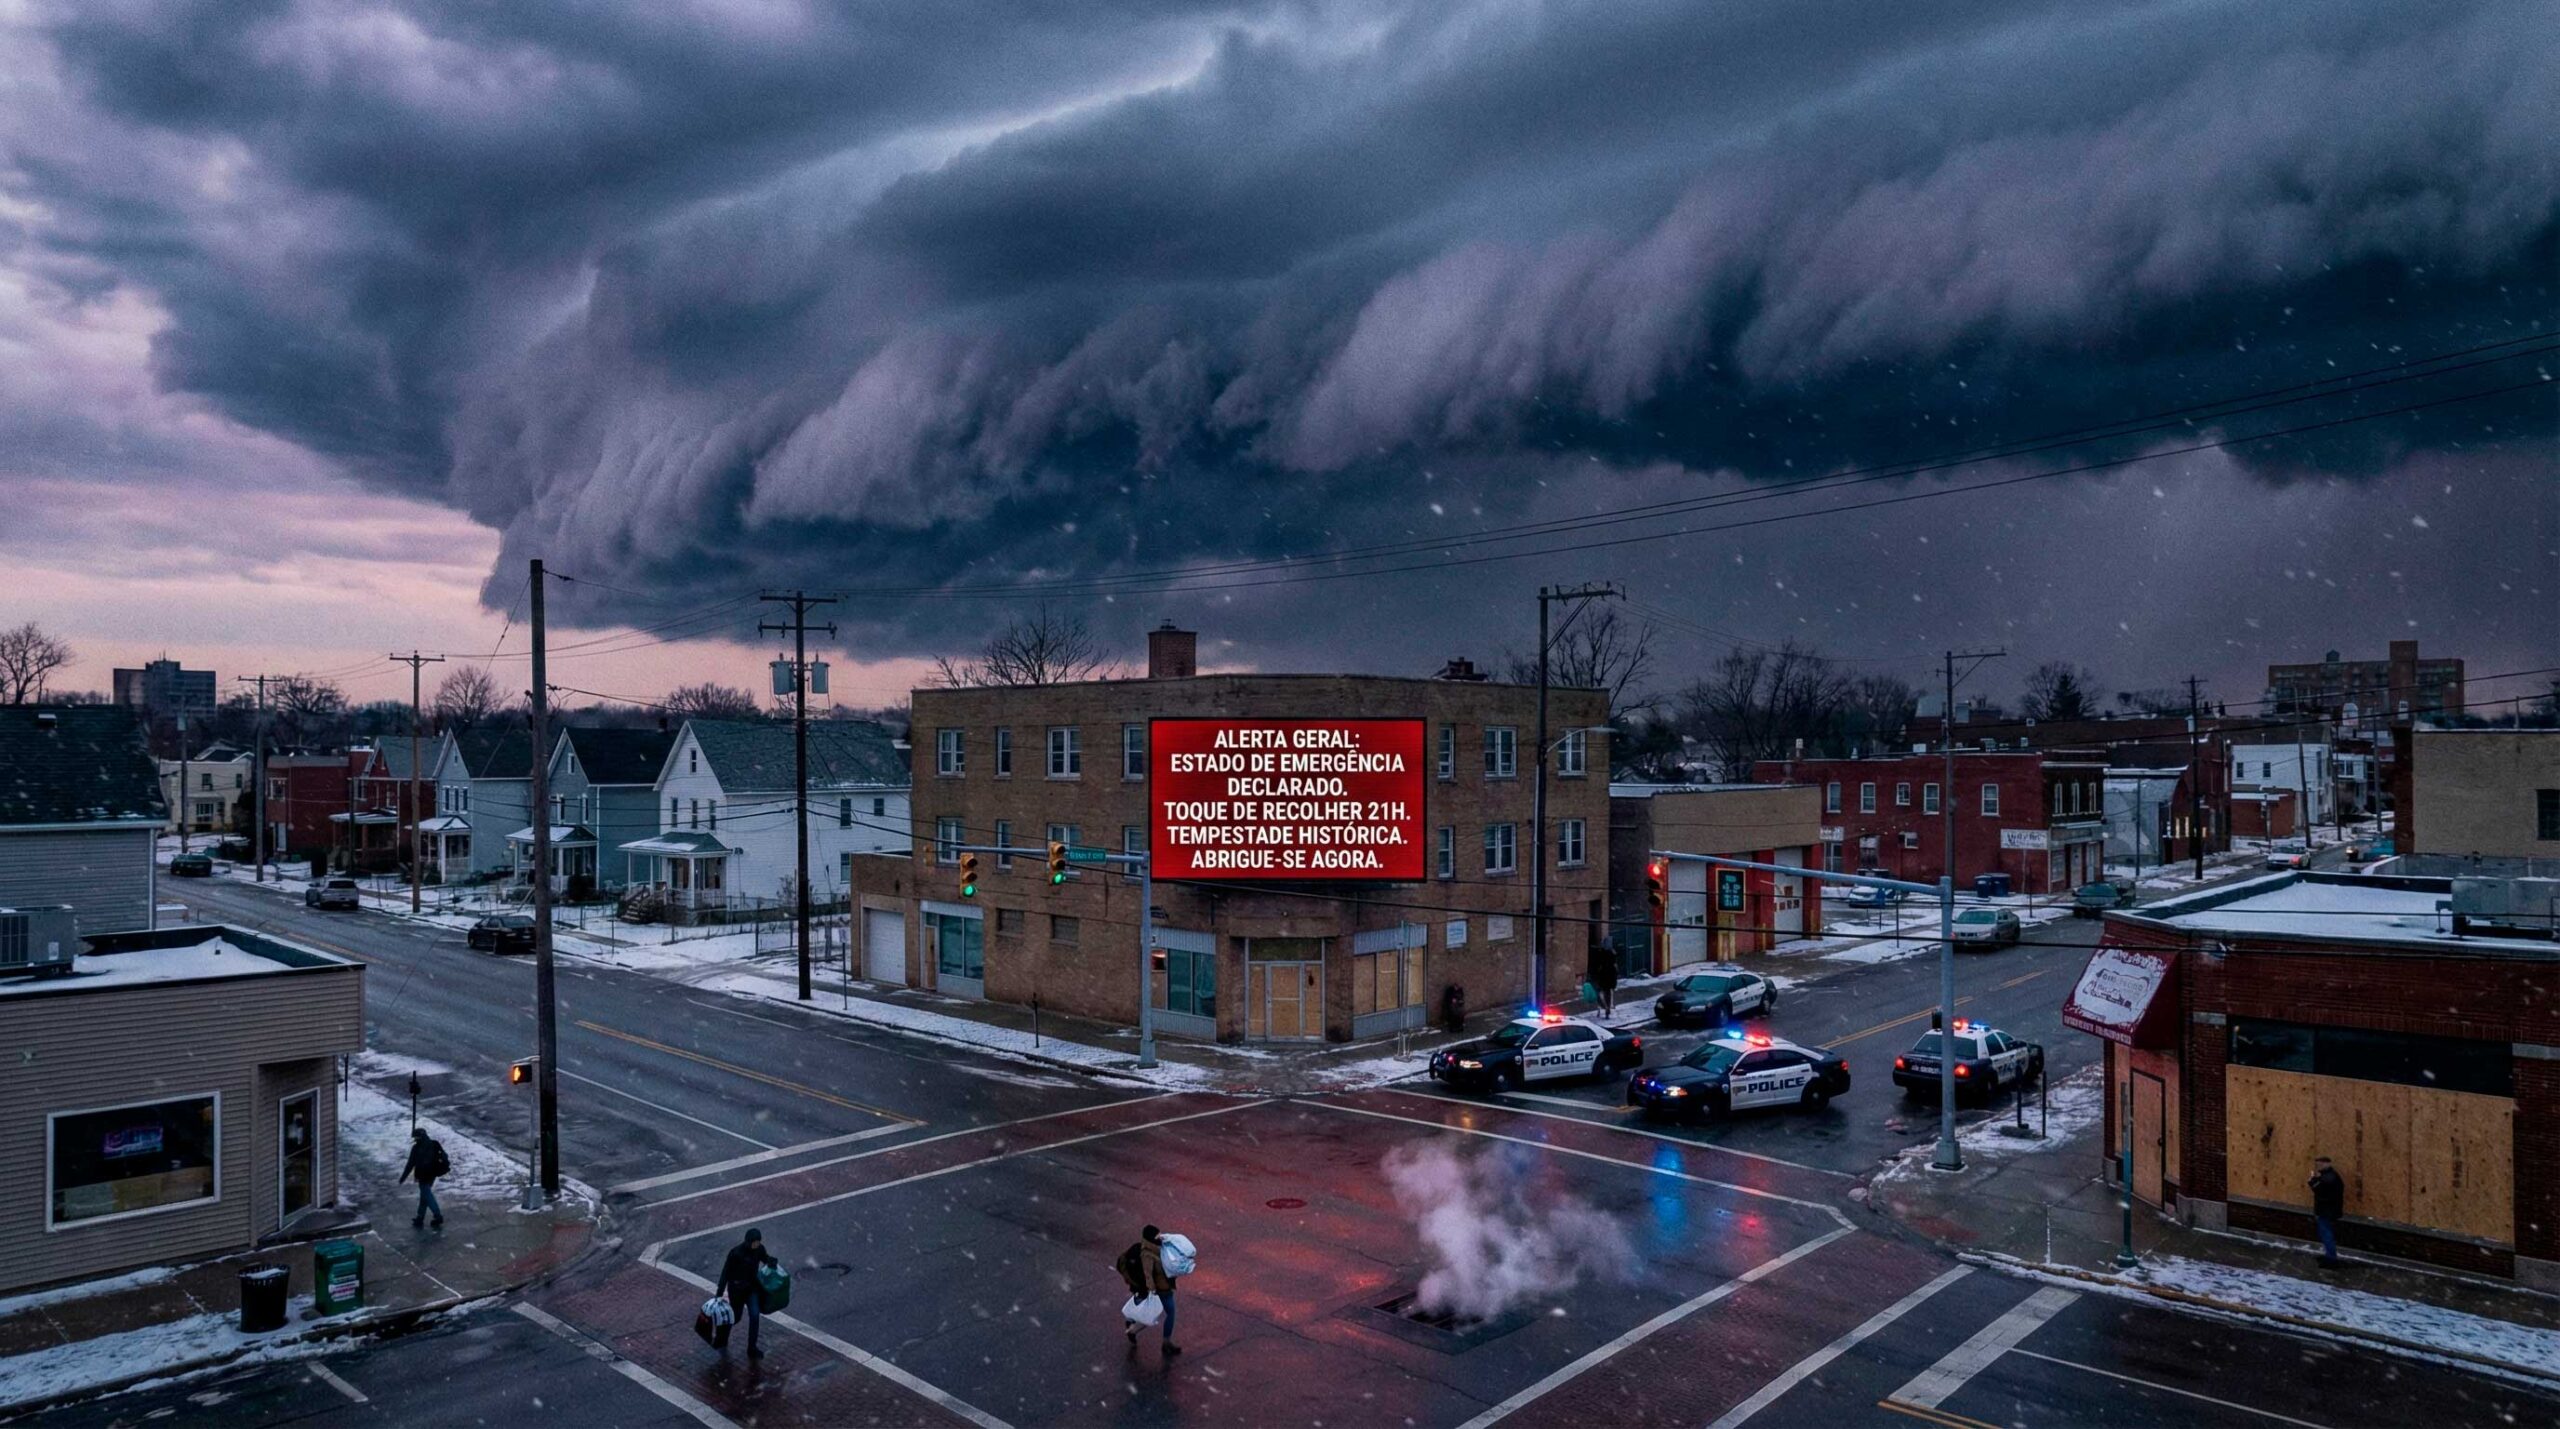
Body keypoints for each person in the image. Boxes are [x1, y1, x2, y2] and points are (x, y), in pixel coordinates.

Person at [1116, 1225, 1180, 1356]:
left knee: (1162, 1312)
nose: (1160, 1237)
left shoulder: (1148, 1249)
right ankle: (1133, 1329)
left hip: (1156, 1289)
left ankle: (1133, 1323)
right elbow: (1150, 1274)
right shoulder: (1149, 1254)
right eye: (1157, 1235)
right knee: (1149, 1315)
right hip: (1155, 1290)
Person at [716, 1228, 778, 1358]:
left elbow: (765, 1258)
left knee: (754, 1316)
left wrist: (771, 1261)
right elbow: (725, 1273)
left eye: (758, 1242)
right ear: (748, 1241)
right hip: (737, 1291)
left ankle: (752, 1348)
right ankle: (722, 1336)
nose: (757, 1244)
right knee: (736, 1317)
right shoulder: (736, 1253)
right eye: (755, 1242)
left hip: (751, 1289)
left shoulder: (759, 1249)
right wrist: (719, 1292)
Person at [397, 1127, 445, 1229]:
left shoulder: (416, 1148)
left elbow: (410, 1164)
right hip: (432, 1174)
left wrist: (403, 1177)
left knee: (427, 1195)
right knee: (425, 1195)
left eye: (416, 1138)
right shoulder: (434, 1143)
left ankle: (437, 1215)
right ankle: (420, 1217)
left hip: (422, 1175)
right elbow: (444, 1156)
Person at [2308, 1156, 2346, 1268]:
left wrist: (2312, 1182)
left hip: (2326, 1211)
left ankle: (2331, 1260)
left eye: (2320, 1164)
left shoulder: (2329, 1178)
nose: (2318, 1167)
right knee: (2326, 1233)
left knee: (2326, 1234)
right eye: (2317, 1165)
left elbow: (2321, 1192)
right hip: (2330, 1210)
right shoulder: (2330, 1176)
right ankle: (2329, 1256)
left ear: (2327, 1164)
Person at [1586, 941, 1619, 1018]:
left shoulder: (1601, 955)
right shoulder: (1612, 960)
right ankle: (1606, 1008)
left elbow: (1596, 967)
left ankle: (1604, 1007)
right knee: (1607, 994)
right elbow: (1615, 972)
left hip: (1601, 978)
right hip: (1607, 980)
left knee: (1598, 993)